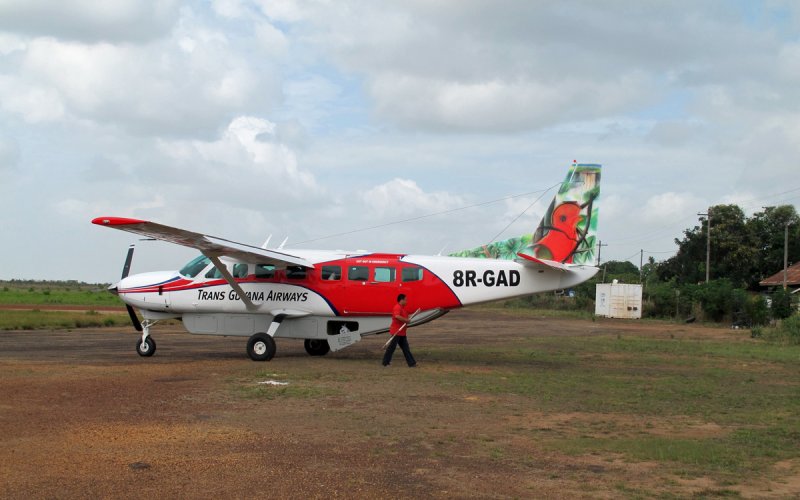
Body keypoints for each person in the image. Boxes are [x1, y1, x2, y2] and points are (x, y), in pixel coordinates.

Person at [382, 293, 416, 367]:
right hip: (396, 331)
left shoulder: (403, 309)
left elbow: (404, 316)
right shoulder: (397, 307)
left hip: (402, 332)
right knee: (392, 347)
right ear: (401, 300)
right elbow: (397, 316)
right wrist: (406, 320)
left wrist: (407, 320)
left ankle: (412, 363)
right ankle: (385, 362)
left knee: (406, 348)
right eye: (405, 300)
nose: (407, 301)